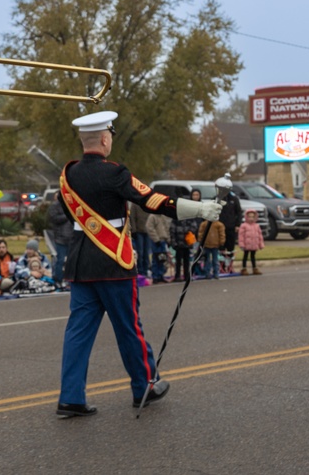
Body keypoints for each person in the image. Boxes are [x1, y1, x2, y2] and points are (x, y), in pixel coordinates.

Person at [56, 111, 221, 417]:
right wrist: (199, 208)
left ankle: (71, 397)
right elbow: (154, 200)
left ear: (83, 141)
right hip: (113, 262)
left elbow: (70, 216)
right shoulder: (115, 172)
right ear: (106, 139)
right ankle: (144, 384)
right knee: (129, 328)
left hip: (80, 263)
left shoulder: (69, 175)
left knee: (78, 332)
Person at [169, 189, 201, 282]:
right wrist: (173, 241)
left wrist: (189, 231)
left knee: (187, 260)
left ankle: (187, 275)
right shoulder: (176, 216)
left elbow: (194, 226)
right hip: (178, 242)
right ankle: (177, 275)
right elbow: (172, 228)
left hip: (187, 241)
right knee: (178, 260)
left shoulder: (189, 215)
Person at [47, 192, 73, 289]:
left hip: (71, 238)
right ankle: (58, 280)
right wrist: (67, 215)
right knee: (60, 260)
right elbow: (53, 219)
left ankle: (70, 280)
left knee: (71, 261)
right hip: (60, 238)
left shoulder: (70, 205)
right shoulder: (54, 207)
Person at [145, 212, 172, 283]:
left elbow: (166, 228)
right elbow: (149, 228)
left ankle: (161, 275)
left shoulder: (163, 216)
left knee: (162, 259)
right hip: (156, 241)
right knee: (156, 258)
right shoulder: (152, 217)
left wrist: (168, 240)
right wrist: (156, 239)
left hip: (163, 241)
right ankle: (155, 276)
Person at [237, 208, 265, 275]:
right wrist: (241, 244)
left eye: (253, 217)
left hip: (254, 245)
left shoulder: (257, 226)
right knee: (245, 256)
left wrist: (261, 244)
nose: (251, 218)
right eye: (249, 216)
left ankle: (254, 268)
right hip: (246, 245)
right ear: (246, 217)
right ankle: (244, 268)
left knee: (253, 256)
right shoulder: (244, 226)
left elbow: (260, 236)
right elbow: (241, 236)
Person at [128, 202, 151, 279]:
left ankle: (145, 270)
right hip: (138, 232)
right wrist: (134, 230)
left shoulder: (148, 204)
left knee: (146, 253)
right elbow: (132, 217)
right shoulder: (135, 204)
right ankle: (140, 271)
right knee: (140, 253)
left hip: (147, 231)